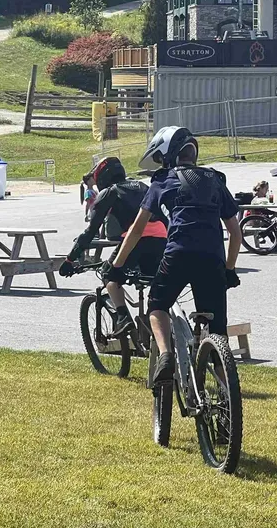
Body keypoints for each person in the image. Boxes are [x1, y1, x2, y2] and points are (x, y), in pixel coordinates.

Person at [105, 126, 242, 386]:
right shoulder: (215, 180)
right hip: (212, 258)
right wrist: (230, 269)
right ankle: (228, 395)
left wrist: (117, 264)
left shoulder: (161, 182)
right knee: (217, 329)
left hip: (178, 253)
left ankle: (166, 355)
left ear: (167, 156)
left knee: (157, 306)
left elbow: (136, 230)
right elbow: (235, 233)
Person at [59, 157, 167, 334]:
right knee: (153, 279)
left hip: (134, 242)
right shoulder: (142, 186)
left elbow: (90, 232)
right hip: (161, 240)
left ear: (102, 177)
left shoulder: (110, 192)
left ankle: (123, 318)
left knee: (109, 274)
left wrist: (70, 260)